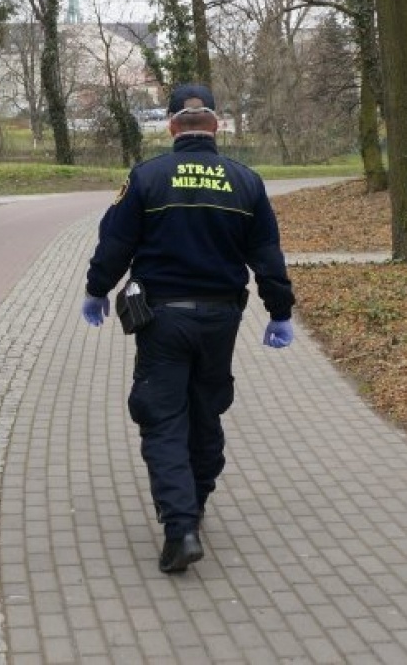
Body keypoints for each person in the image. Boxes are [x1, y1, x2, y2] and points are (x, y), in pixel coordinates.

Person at [80, 83, 295, 574]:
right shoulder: (246, 182)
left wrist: (96, 290)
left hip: (163, 320)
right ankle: (195, 502)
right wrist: (280, 311)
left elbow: (115, 245)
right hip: (222, 319)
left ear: (172, 124)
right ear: (214, 125)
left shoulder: (147, 178)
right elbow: (267, 257)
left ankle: (180, 528)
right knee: (206, 410)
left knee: (162, 416)